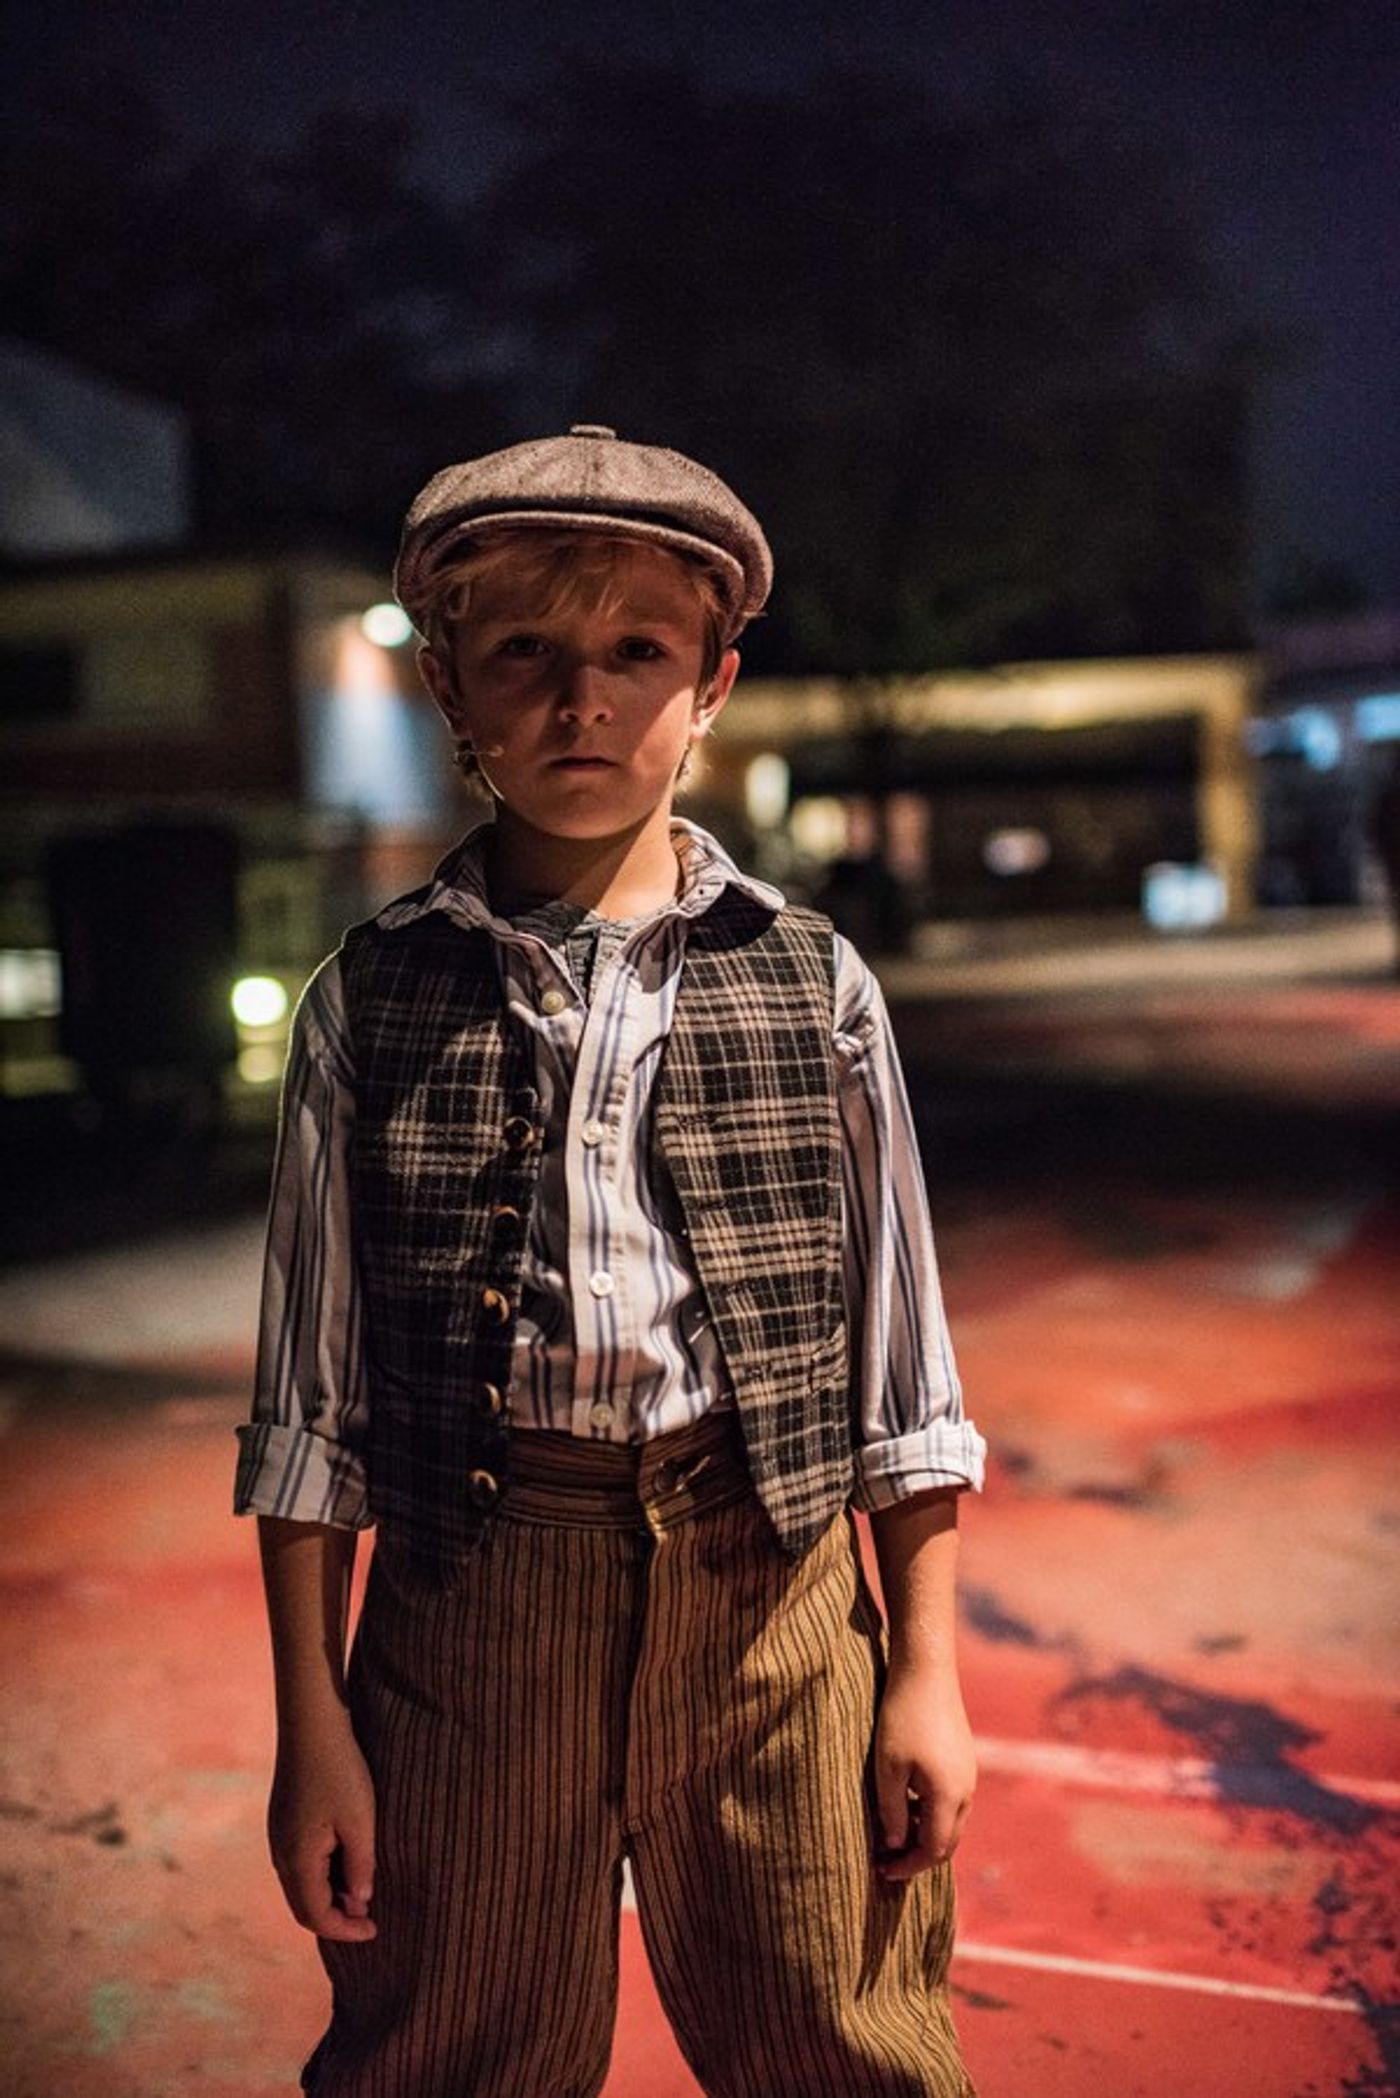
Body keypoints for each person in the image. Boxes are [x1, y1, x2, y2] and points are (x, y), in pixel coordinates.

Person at [235, 423, 987, 2098]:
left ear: (712, 684)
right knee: (446, 2052)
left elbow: (900, 1372)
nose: (582, 701)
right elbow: (310, 1409)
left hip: (770, 1592)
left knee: (844, 2043)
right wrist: (315, 1726)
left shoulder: (819, 984)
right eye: (526, 655)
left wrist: (923, 1665)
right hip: (468, 1609)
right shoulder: (370, 998)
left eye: (636, 653)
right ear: (450, 685)